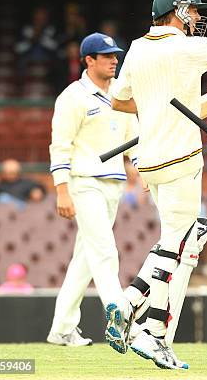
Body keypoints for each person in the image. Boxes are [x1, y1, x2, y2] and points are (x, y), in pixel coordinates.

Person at [107, 0, 207, 369]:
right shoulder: (187, 48)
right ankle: (134, 310)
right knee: (178, 242)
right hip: (182, 156)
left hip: (149, 158)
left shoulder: (137, 47)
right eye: (195, 10)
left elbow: (119, 100)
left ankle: (148, 326)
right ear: (178, 10)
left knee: (171, 241)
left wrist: (153, 109)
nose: (199, 18)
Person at [46, 32, 138, 347]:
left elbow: (133, 141)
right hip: (83, 181)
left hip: (113, 183)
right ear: (89, 60)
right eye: (107, 55)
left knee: (85, 258)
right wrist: (62, 190)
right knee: (103, 249)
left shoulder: (122, 92)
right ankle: (117, 310)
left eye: (115, 55)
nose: (114, 60)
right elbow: (60, 146)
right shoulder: (73, 97)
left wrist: (147, 175)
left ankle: (61, 329)